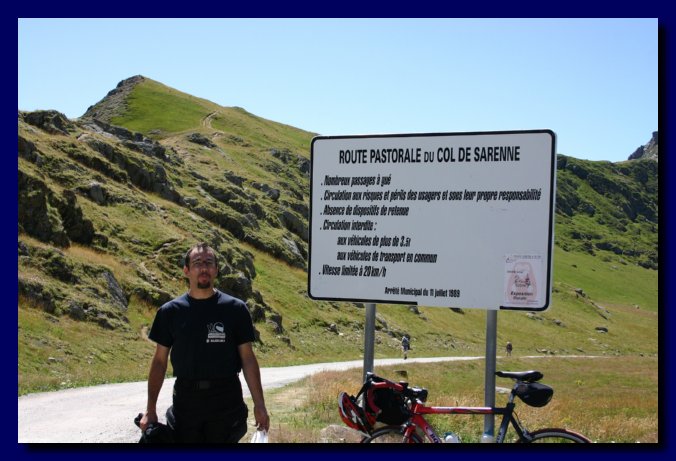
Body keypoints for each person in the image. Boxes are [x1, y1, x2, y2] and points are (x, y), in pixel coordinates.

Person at [140, 243, 269, 443]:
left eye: (209, 263)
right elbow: (159, 362)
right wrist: (150, 409)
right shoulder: (170, 312)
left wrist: (260, 405)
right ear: (186, 270)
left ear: (216, 270)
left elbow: (248, 359)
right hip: (186, 401)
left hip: (226, 400)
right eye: (197, 263)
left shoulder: (235, 309)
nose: (203, 268)